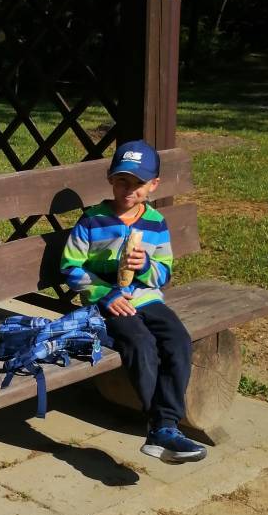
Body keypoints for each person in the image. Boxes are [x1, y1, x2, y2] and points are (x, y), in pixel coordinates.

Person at [61, 139, 207, 464]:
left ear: (153, 185)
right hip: (107, 303)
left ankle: (165, 425)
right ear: (110, 179)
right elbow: (70, 267)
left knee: (178, 340)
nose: (129, 190)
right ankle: (161, 427)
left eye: (138, 183)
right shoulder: (92, 221)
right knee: (140, 344)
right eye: (122, 181)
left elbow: (164, 273)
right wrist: (104, 294)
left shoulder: (155, 223)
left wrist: (145, 266)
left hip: (147, 299)